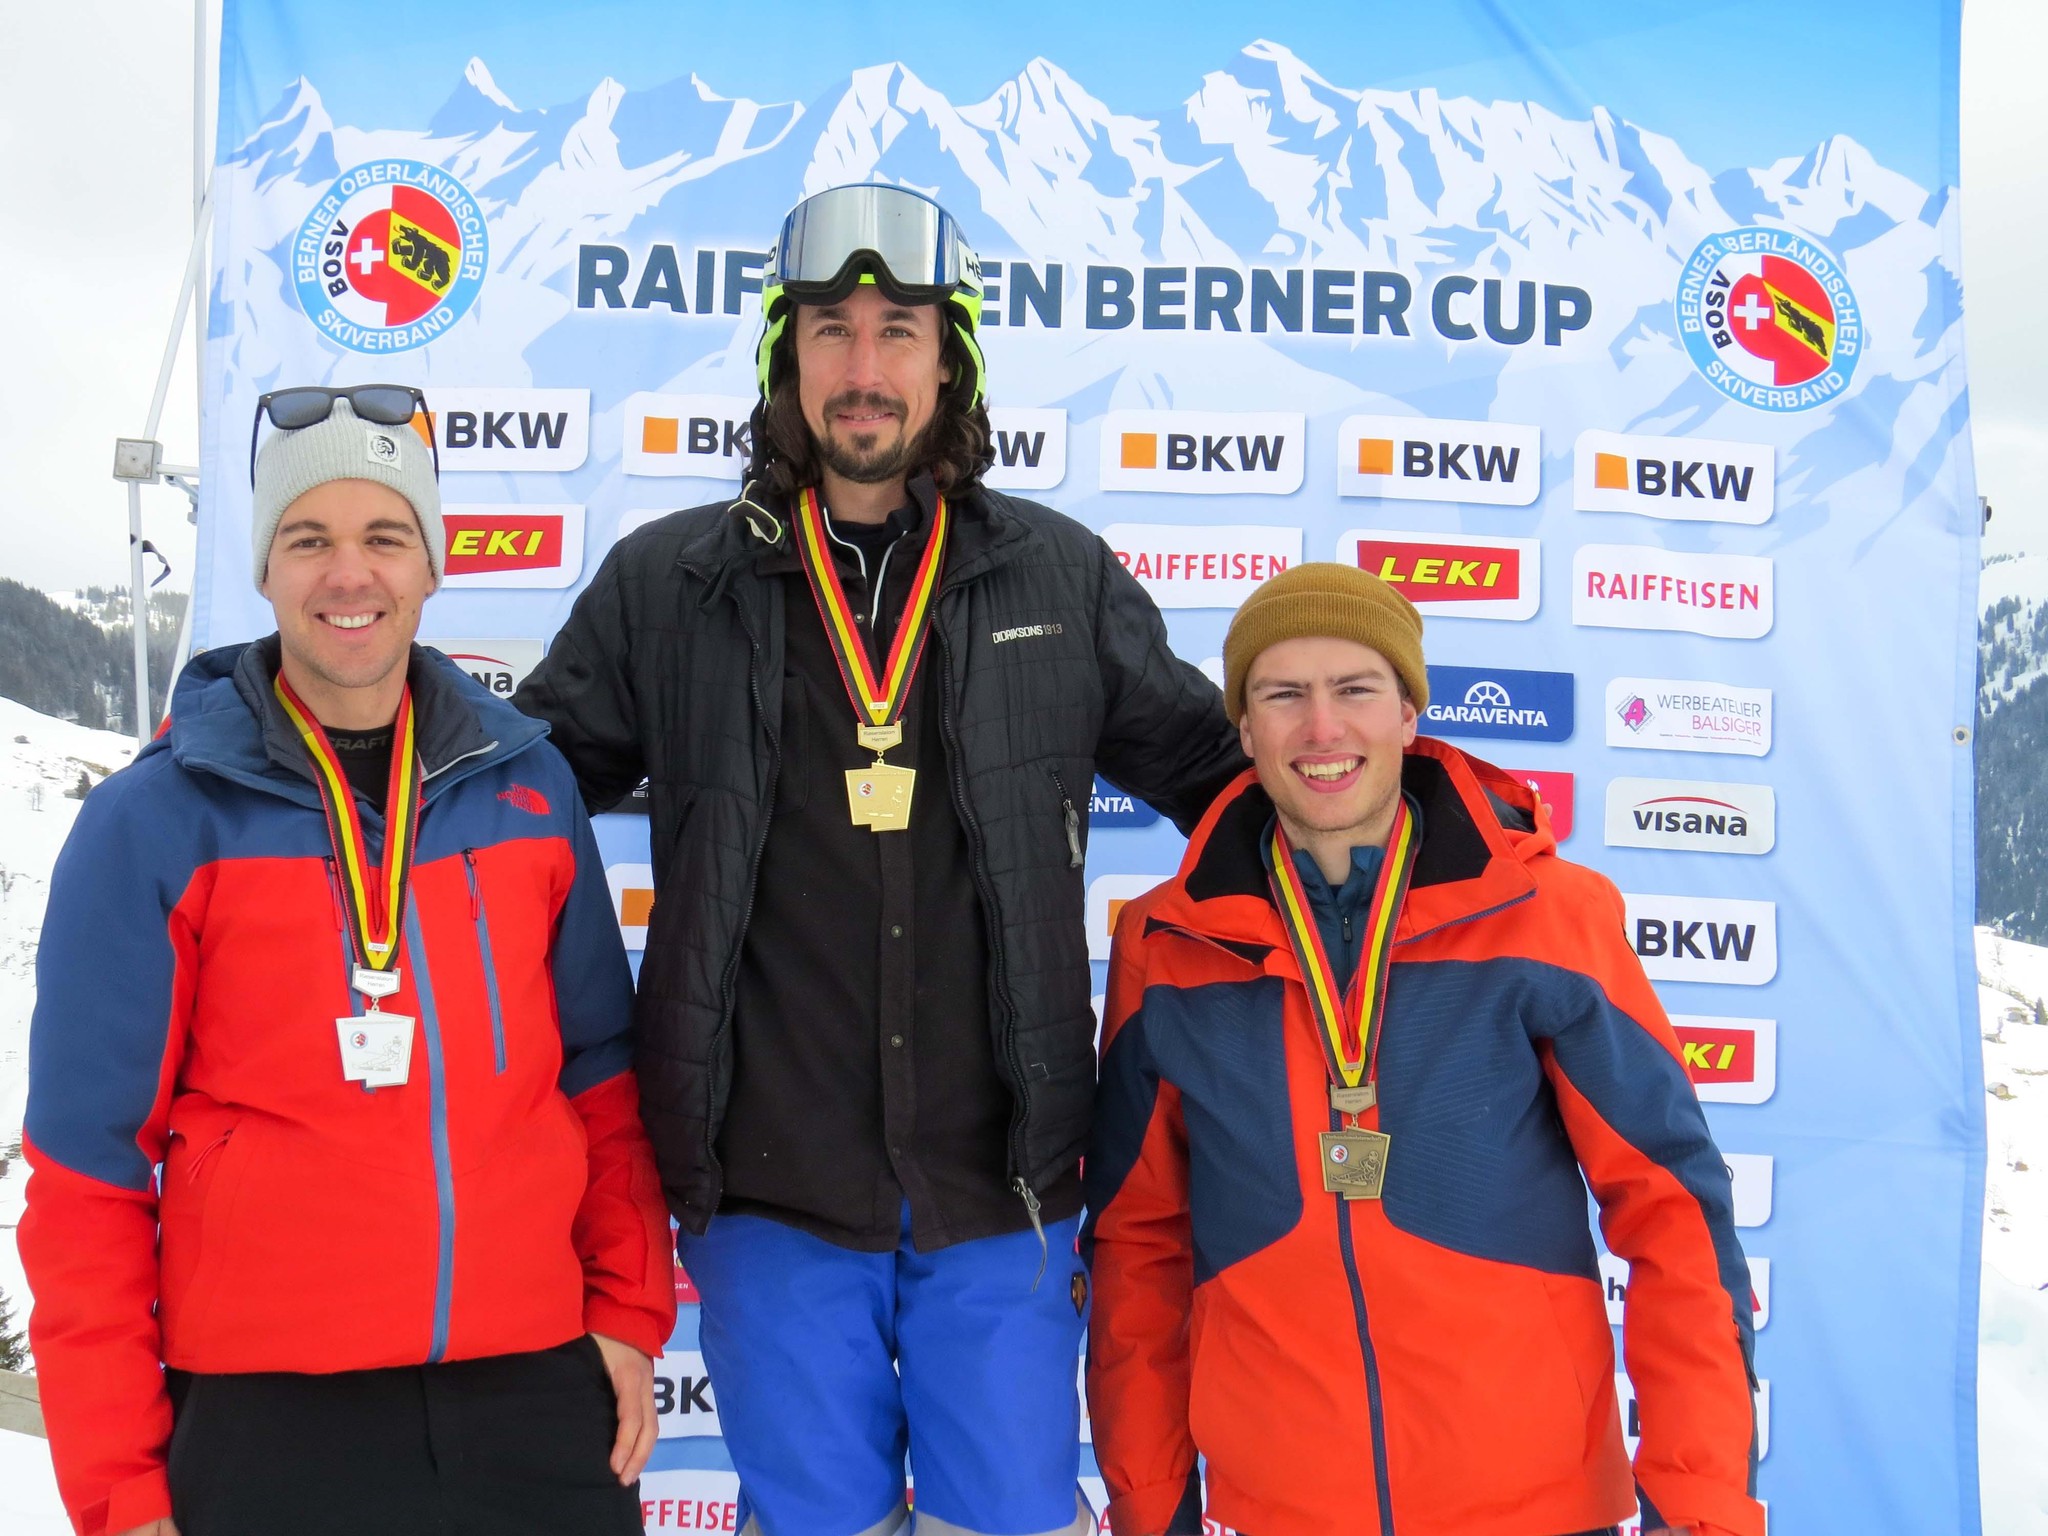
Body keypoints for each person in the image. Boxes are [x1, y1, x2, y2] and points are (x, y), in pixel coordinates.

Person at [515, 184, 1245, 1536]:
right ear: (781, 362)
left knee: (1011, 1521)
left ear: (951, 360)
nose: (863, 370)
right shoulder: (670, 586)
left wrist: (1407, 820)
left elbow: (1225, 787)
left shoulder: (1057, 581)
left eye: (899, 331)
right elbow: (513, 806)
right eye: (830, 332)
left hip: (1005, 1193)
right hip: (765, 1194)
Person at [21, 388, 676, 1536]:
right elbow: (87, 1176)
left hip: (530, 1394)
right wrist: (121, 1487)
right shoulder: (155, 823)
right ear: (265, 571)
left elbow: (599, 1076)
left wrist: (623, 1308)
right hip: (266, 1416)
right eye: (307, 539)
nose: (347, 574)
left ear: (430, 567)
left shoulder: (528, 789)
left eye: (384, 537)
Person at [1084, 562, 1762, 1536]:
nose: (1321, 729)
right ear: (1243, 730)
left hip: (1535, 1509)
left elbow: (1670, 1212)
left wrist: (1697, 1507)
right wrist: (1151, 1513)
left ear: (1408, 713)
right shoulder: (1169, 945)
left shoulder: (1546, 919)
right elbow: (1136, 1250)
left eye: (1354, 689)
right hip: (1276, 1512)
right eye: (1282, 695)